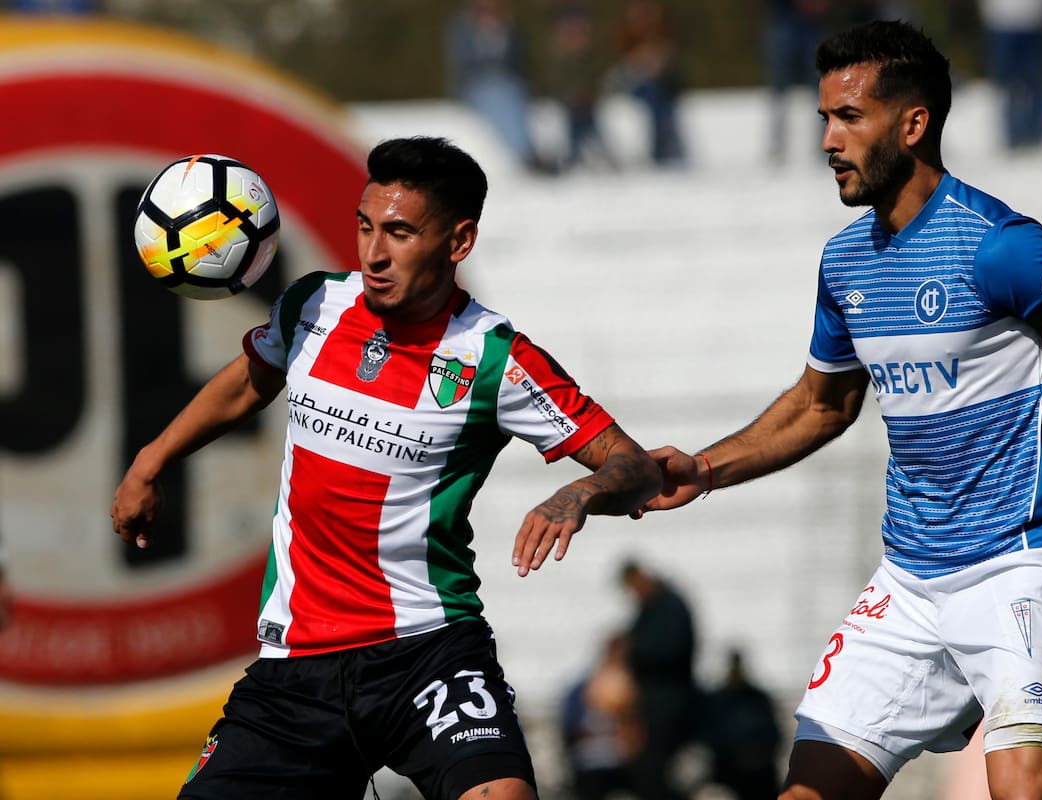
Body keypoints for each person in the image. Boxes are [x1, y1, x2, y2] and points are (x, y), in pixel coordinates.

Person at [640, 20, 1042, 800]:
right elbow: (822, 405)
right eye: (824, 118)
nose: (828, 140)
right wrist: (706, 468)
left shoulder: (1000, 245)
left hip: (1019, 566)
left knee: (1024, 789)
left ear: (913, 124)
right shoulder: (845, 261)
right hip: (910, 582)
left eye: (849, 117)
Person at [110, 136, 661, 800]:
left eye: (399, 233)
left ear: (459, 242)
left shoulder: (496, 359)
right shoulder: (313, 305)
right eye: (365, 227)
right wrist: (151, 461)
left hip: (427, 652)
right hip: (297, 667)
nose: (373, 253)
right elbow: (247, 383)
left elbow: (634, 464)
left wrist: (579, 492)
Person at [444, 0, 555, 174]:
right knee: (498, 99)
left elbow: (518, 62)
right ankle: (525, 153)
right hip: (477, 86)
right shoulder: (462, 29)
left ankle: (527, 152)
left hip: (507, 85)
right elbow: (464, 65)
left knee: (512, 101)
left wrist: (503, 32)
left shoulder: (509, 28)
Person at [619, 559, 698, 800]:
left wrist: (633, 651)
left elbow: (671, 649)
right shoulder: (652, 607)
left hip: (668, 701)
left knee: (656, 767)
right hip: (653, 701)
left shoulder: (670, 607)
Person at [560, 633, 642, 800]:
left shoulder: (636, 689)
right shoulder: (582, 689)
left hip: (623, 764)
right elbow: (571, 730)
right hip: (592, 764)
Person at [612, 0, 687, 167]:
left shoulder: (665, 34)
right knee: (654, 99)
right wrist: (641, 64)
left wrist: (659, 64)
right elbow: (622, 70)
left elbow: (673, 68)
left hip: (662, 89)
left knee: (663, 103)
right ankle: (660, 150)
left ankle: (668, 149)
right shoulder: (625, 35)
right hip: (639, 87)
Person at [702, 649, 783, 800]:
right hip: (729, 771)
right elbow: (711, 737)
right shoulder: (718, 701)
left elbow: (773, 735)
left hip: (759, 772)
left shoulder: (757, 699)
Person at [549, 3, 619, 173]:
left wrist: (588, 93)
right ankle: (574, 154)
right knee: (572, 115)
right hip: (564, 104)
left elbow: (600, 80)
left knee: (585, 113)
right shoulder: (553, 55)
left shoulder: (594, 54)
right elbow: (547, 83)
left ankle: (592, 152)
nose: (575, 32)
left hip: (587, 105)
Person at [978, 0, 1042, 151]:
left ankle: (1035, 135)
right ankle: (1013, 135)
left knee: (1035, 81)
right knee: (1007, 83)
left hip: (1035, 22)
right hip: (1002, 22)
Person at [762, 0, 831, 164]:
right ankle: (777, 146)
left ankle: (827, 142)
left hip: (811, 23)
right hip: (783, 18)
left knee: (822, 86)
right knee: (779, 88)